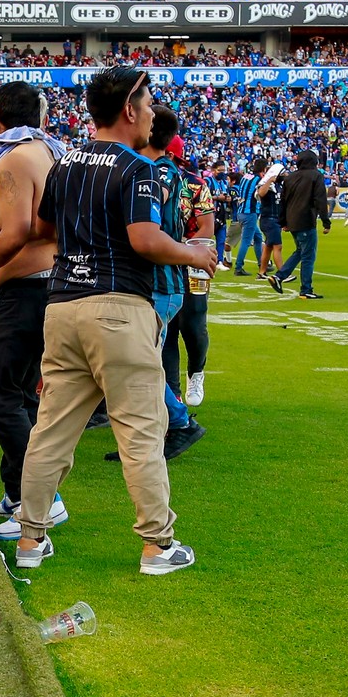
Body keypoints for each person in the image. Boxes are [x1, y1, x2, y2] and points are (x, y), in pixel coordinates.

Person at [14, 67, 216, 577]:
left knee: (51, 432)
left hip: (61, 307)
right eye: (147, 105)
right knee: (141, 433)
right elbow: (146, 239)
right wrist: (194, 253)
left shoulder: (66, 163)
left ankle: (30, 540)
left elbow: (42, 228)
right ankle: (157, 546)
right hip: (118, 308)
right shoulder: (137, 168)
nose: (151, 114)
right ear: (129, 109)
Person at [0, 82, 69, 539]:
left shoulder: (17, 158)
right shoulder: (45, 150)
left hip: (30, 288)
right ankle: (16, 489)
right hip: (45, 284)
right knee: (20, 394)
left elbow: (16, 229)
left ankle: (40, 500)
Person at [104, 111, 206, 462]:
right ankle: (147, 434)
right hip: (153, 282)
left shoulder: (157, 172)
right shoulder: (151, 169)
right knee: (135, 361)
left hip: (159, 283)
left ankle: (176, 424)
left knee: (139, 363)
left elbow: (150, 222)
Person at [164, 140, 215, 407]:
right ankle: (173, 395)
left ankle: (196, 371)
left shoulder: (194, 184)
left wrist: (183, 249)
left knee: (193, 325)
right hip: (159, 261)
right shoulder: (142, 175)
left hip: (191, 261)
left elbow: (207, 225)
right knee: (166, 329)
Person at [270, 150, 330, 300]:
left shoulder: (290, 178)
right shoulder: (316, 176)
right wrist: (325, 221)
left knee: (300, 250)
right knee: (308, 255)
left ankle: (279, 276)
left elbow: (283, 201)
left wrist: (283, 221)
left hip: (292, 219)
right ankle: (306, 289)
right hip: (306, 219)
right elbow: (320, 200)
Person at [232, 158, 271, 276]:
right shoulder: (260, 180)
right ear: (264, 168)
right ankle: (238, 267)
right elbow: (260, 194)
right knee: (246, 241)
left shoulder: (245, 176)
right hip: (250, 213)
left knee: (258, 238)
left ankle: (262, 263)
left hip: (241, 211)